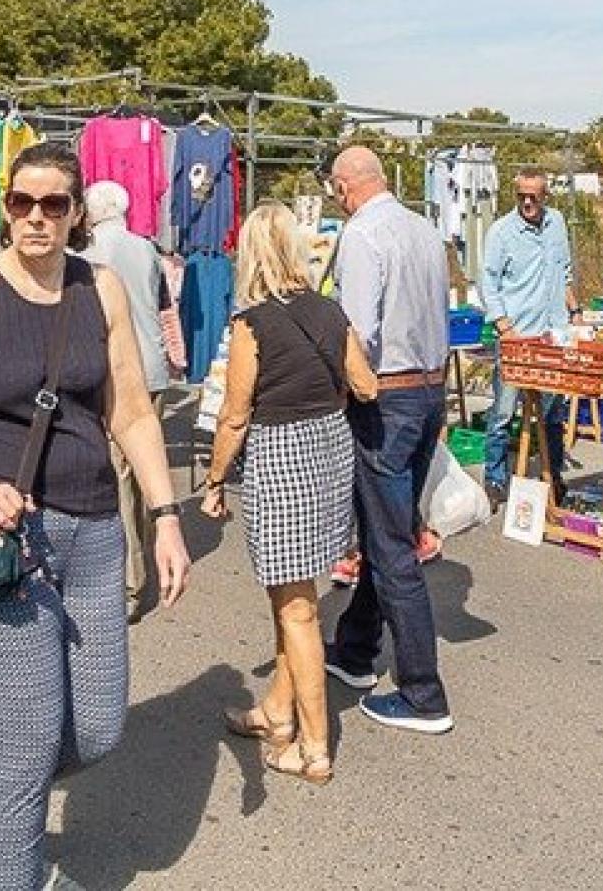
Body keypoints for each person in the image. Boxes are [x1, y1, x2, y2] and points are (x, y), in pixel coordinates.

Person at [0, 144, 192, 891]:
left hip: (94, 532)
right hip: (0, 541)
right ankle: (11, 814)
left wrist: (164, 514)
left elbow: (129, 407)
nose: (34, 217)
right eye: (21, 202)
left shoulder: (102, 288)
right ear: (4, 205)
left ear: (76, 212)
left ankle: (4, 760)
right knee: (27, 751)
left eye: (52, 204)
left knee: (95, 730)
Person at [202, 202, 377, 783]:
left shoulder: (252, 322)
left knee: (296, 608)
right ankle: (278, 711)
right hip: (330, 451)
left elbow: (234, 415)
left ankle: (314, 747)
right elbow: (365, 382)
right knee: (292, 594)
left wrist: (214, 479)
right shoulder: (330, 310)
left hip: (282, 456)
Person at [320, 146, 455, 734]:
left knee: (392, 543)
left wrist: (336, 391)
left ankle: (424, 691)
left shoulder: (360, 235)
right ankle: (355, 648)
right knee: (387, 528)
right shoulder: (423, 230)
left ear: (345, 186)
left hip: (388, 395)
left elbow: (356, 331)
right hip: (429, 388)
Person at [79, 181, 182, 620]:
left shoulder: (85, 254)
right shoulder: (147, 249)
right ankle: (147, 557)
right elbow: (163, 306)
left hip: (114, 372)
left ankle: (129, 584)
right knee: (144, 469)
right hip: (152, 369)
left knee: (119, 477)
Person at [479, 166, 579, 502]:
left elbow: (564, 272)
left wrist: (574, 312)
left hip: (552, 334)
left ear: (545, 194)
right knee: (503, 412)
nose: (526, 203)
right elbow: (488, 283)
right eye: (520, 196)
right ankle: (495, 479)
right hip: (517, 336)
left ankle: (554, 475)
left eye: (533, 196)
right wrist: (504, 327)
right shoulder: (501, 233)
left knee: (552, 413)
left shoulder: (557, 224)